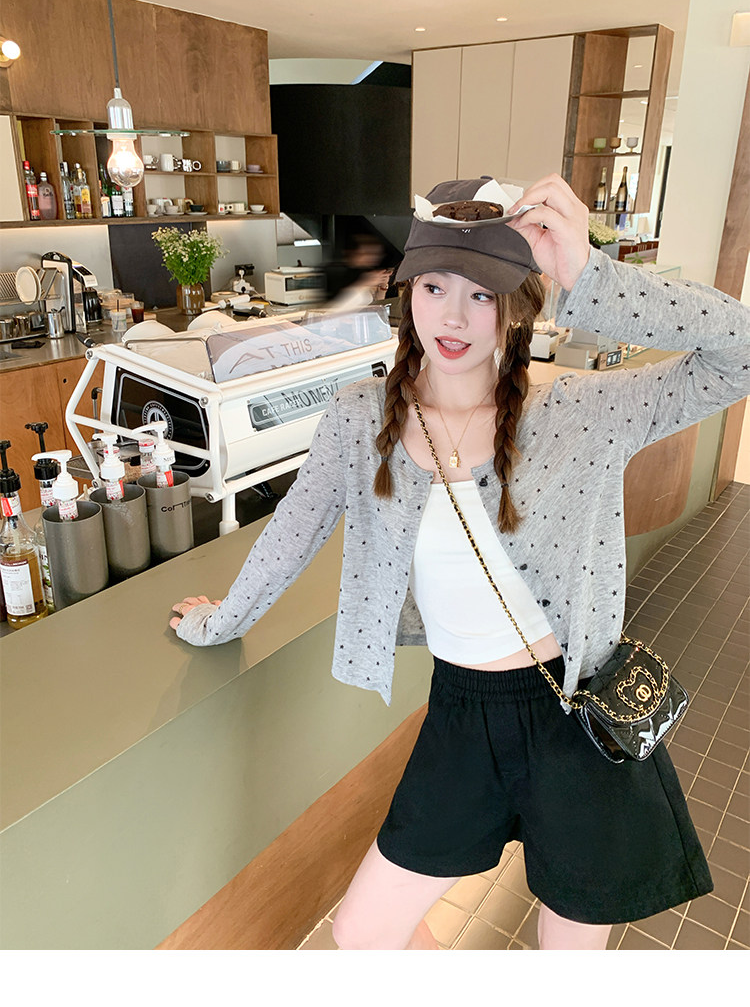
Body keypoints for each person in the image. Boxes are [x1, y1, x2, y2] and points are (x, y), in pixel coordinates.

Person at [170, 174, 750, 950]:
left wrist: (591, 274)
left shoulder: (580, 410)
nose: (452, 315)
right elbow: (291, 533)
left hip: (575, 716)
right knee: (365, 934)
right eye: (434, 285)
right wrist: (221, 621)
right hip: (460, 715)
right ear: (406, 290)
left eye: (481, 293)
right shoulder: (359, 419)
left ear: (517, 303)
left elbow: (741, 353)